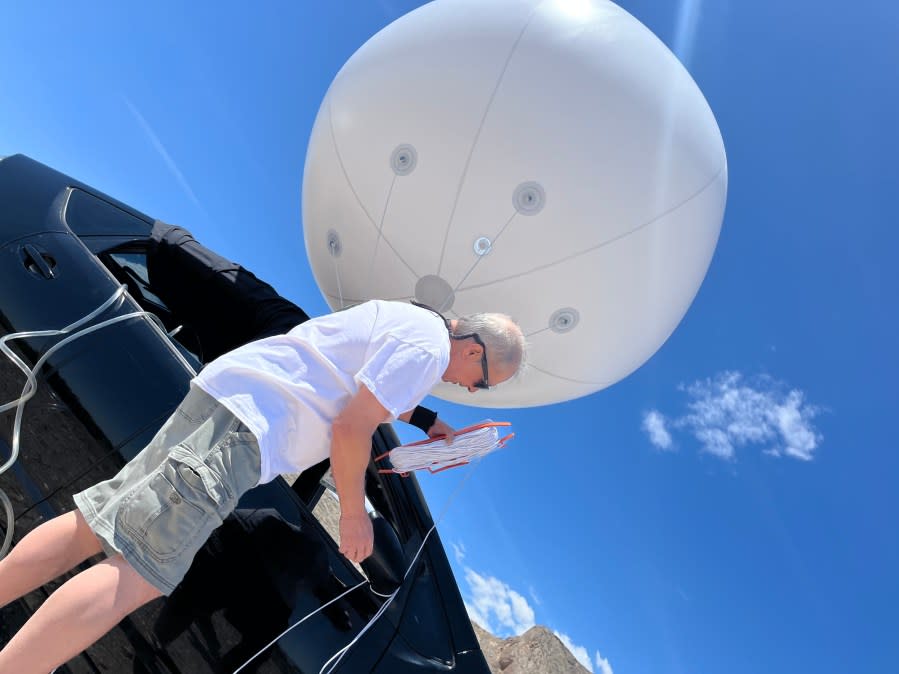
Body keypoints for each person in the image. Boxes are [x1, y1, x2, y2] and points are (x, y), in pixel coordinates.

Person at [0, 299, 525, 672]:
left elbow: (373, 389)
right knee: (140, 570)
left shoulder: (412, 322)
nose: (470, 389)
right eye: (481, 382)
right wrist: (352, 516)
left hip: (230, 403)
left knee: (99, 523)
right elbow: (350, 426)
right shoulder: (429, 350)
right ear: (475, 350)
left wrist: (429, 420)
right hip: (249, 432)